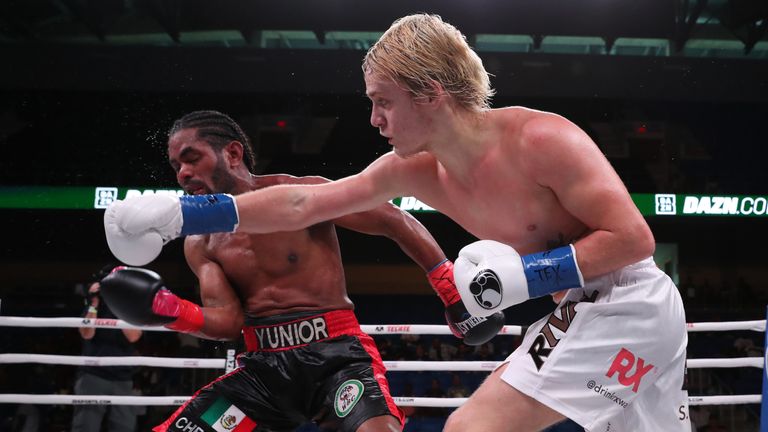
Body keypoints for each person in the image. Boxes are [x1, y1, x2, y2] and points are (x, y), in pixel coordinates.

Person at [102, 14, 689, 432]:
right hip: (585, 307)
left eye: (382, 101)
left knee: (472, 428)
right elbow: (304, 204)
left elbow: (634, 238)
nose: (375, 119)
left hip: (623, 300)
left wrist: (526, 277)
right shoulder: (414, 169)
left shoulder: (541, 139)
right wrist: (182, 214)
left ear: (429, 93)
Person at [99, 110, 504, 432]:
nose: (183, 174)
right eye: (176, 166)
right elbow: (228, 321)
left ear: (233, 154)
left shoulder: (299, 192)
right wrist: (171, 312)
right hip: (262, 373)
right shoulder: (200, 242)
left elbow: (392, 219)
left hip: (337, 358)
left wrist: (447, 285)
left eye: (192, 158)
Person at [72, 265, 143, 432]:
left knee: (124, 427)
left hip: (123, 377)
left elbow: (133, 336)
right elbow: (87, 334)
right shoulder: (94, 305)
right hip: (93, 374)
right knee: (86, 426)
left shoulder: (130, 306)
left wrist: (118, 304)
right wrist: (93, 303)